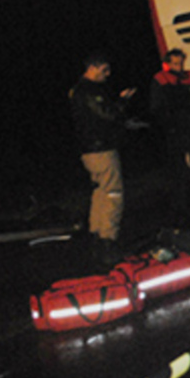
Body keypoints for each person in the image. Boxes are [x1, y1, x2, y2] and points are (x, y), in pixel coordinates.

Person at [69, 53, 135, 265]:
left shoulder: (79, 90)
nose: (108, 75)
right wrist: (123, 101)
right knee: (113, 193)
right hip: (101, 150)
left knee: (100, 191)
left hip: (89, 150)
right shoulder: (87, 91)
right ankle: (108, 240)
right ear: (93, 67)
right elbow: (107, 114)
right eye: (105, 70)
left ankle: (95, 237)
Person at [150, 48, 190, 225]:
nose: (179, 66)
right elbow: (157, 108)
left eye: (181, 63)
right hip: (175, 133)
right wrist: (170, 127)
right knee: (179, 174)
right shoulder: (161, 80)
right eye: (175, 63)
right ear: (168, 63)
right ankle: (181, 211)